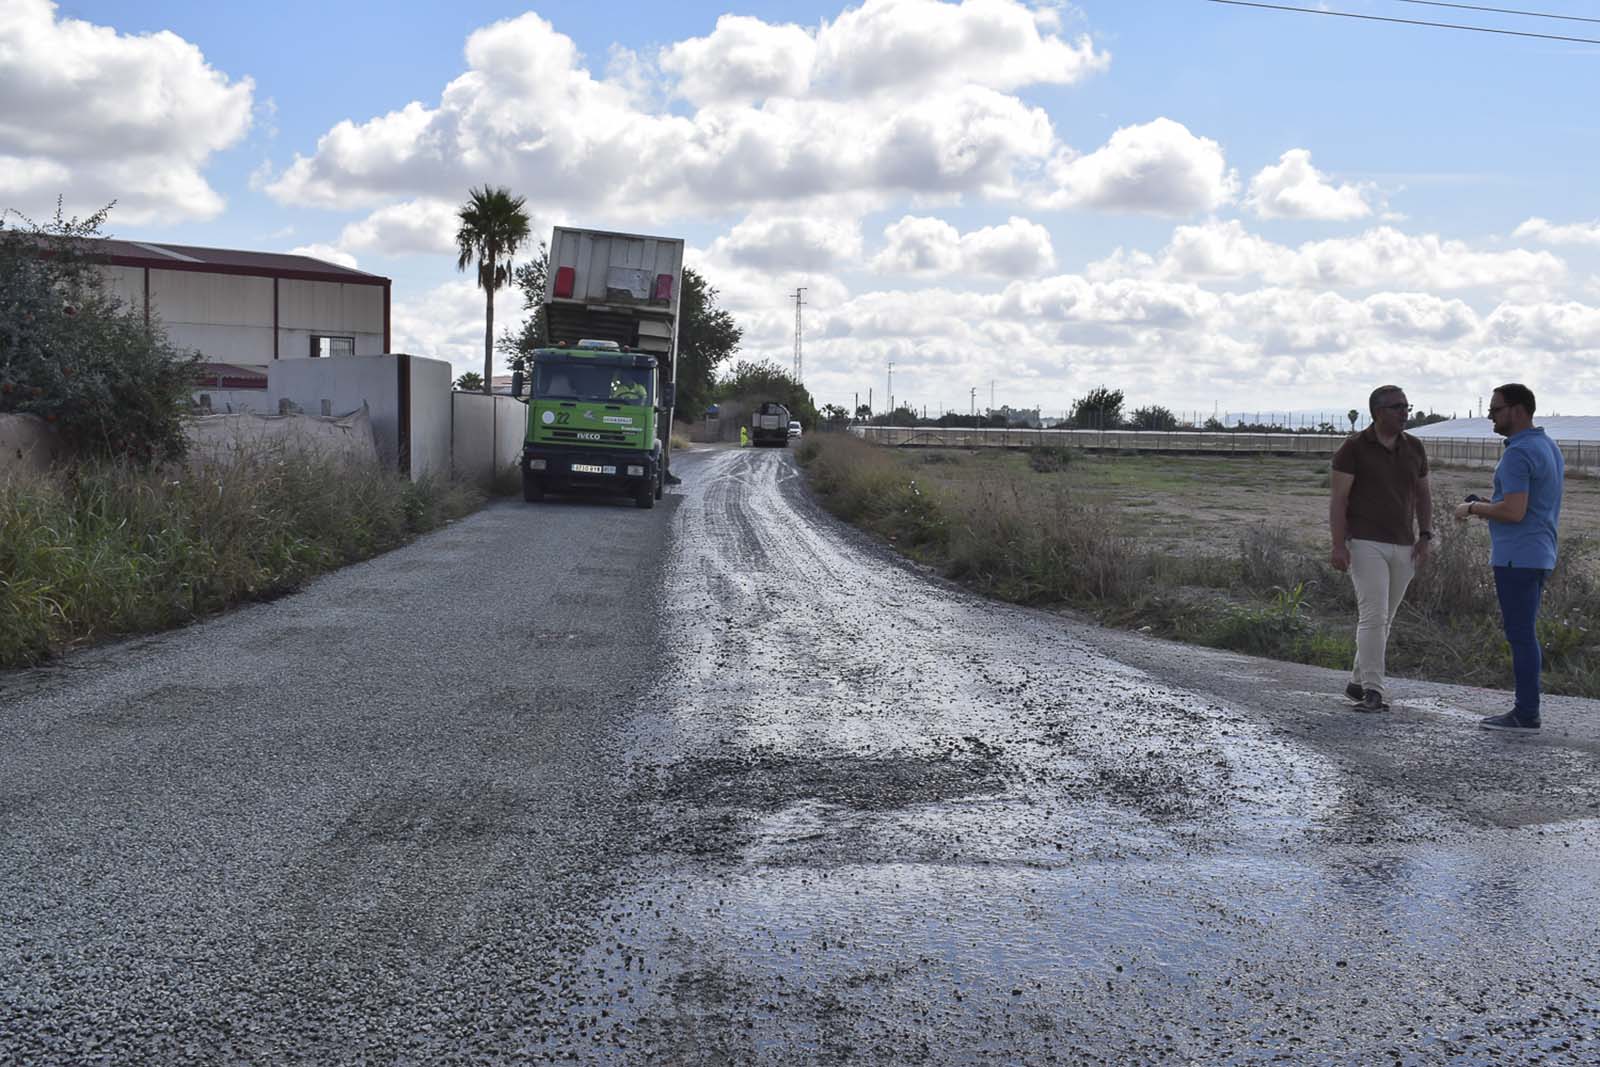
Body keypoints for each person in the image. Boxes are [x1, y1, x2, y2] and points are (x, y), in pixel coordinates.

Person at [1453, 383, 1564, 732]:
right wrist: (1489, 504)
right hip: (1538, 552)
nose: (1490, 417)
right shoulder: (1547, 445)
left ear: (1517, 410)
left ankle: (1526, 712)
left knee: (1520, 634)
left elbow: (1514, 512)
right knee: (1524, 631)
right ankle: (1526, 708)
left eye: (1495, 410)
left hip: (1518, 556)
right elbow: (1522, 505)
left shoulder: (1517, 454)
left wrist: (1472, 507)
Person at [1329, 385, 1434, 712]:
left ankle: (1357, 682)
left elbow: (1423, 495)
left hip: (1404, 545)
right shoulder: (1353, 449)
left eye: (1406, 406)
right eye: (1397, 407)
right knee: (1373, 615)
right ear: (1377, 412)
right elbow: (1339, 499)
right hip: (1364, 543)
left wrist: (1426, 535)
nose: (1405, 412)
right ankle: (1373, 691)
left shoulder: (1414, 447)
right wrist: (1338, 544)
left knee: (1384, 619)